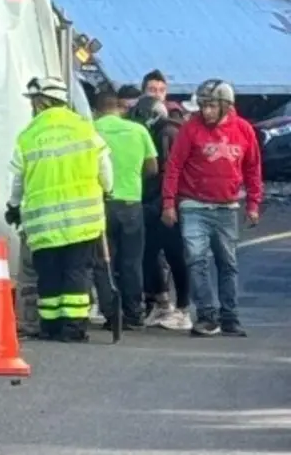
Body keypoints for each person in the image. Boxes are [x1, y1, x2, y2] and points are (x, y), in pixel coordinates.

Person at [6, 76, 112, 342]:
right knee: (76, 272)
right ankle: (72, 327)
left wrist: (13, 206)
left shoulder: (28, 135)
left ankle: (50, 326)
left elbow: (18, 179)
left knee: (49, 274)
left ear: (42, 102)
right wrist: (107, 190)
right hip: (81, 219)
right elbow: (105, 168)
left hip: (43, 222)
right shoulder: (85, 129)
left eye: (33, 101)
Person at [161, 79, 262, 337]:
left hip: (227, 208)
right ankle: (206, 316)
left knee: (228, 263)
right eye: (203, 106)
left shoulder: (244, 130)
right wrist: (169, 203)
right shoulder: (190, 129)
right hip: (193, 205)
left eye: (211, 106)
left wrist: (253, 204)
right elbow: (174, 166)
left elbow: (252, 168)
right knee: (197, 260)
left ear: (226, 106)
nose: (206, 111)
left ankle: (230, 316)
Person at [92, 91, 157, 330]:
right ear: (120, 108)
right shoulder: (138, 131)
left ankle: (111, 314)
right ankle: (134, 313)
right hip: (131, 203)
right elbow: (152, 168)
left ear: (96, 110)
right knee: (131, 262)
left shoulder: (90, 130)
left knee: (103, 261)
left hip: (101, 204)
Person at [130, 95, 192, 330]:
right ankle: (163, 303)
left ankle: (182, 308)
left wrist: (165, 203)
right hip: (160, 201)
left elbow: (168, 172)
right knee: (151, 254)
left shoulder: (167, 134)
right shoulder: (163, 132)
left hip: (167, 203)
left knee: (174, 254)